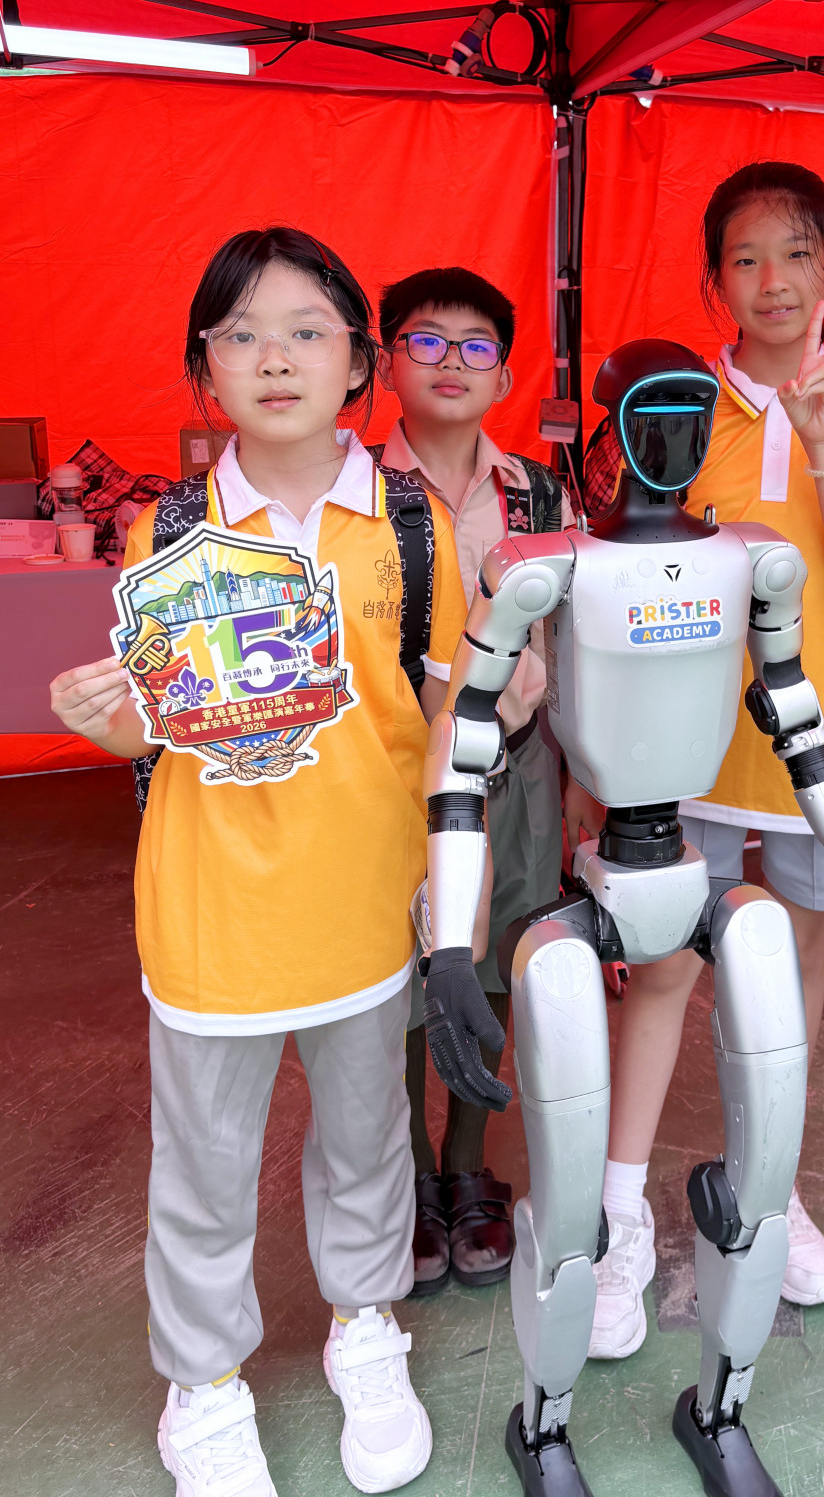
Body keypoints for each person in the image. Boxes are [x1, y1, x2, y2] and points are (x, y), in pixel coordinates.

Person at [49, 228, 469, 1497]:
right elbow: (160, 718)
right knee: (205, 1165)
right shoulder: (169, 528)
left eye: (305, 332)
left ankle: (366, 1328)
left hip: (363, 899)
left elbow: (442, 708)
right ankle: (205, 1385)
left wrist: (494, 715)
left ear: (358, 363)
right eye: (241, 335)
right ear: (205, 371)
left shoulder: (411, 523)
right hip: (213, 911)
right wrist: (109, 721)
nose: (274, 358)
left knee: (369, 1138)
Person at [576, 161, 824, 1360]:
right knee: (665, 968)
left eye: (796, 253)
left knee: (796, 971)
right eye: (745, 257)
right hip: (689, 745)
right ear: (712, 279)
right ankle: (619, 1213)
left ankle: (767, 1183)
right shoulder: (676, 402)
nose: (772, 280)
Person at [377, 267, 571, 1295]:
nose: (451, 362)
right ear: (385, 363)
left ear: (504, 374)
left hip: (518, 764)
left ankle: (468, 1164)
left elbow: (567, 638)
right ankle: (408, 1171)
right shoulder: (356, 491)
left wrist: (579, 779)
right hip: (396, 775)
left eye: (476, 346)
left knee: (496, 955)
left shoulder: (539, 493)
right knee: (405, 968)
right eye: (426, 340)